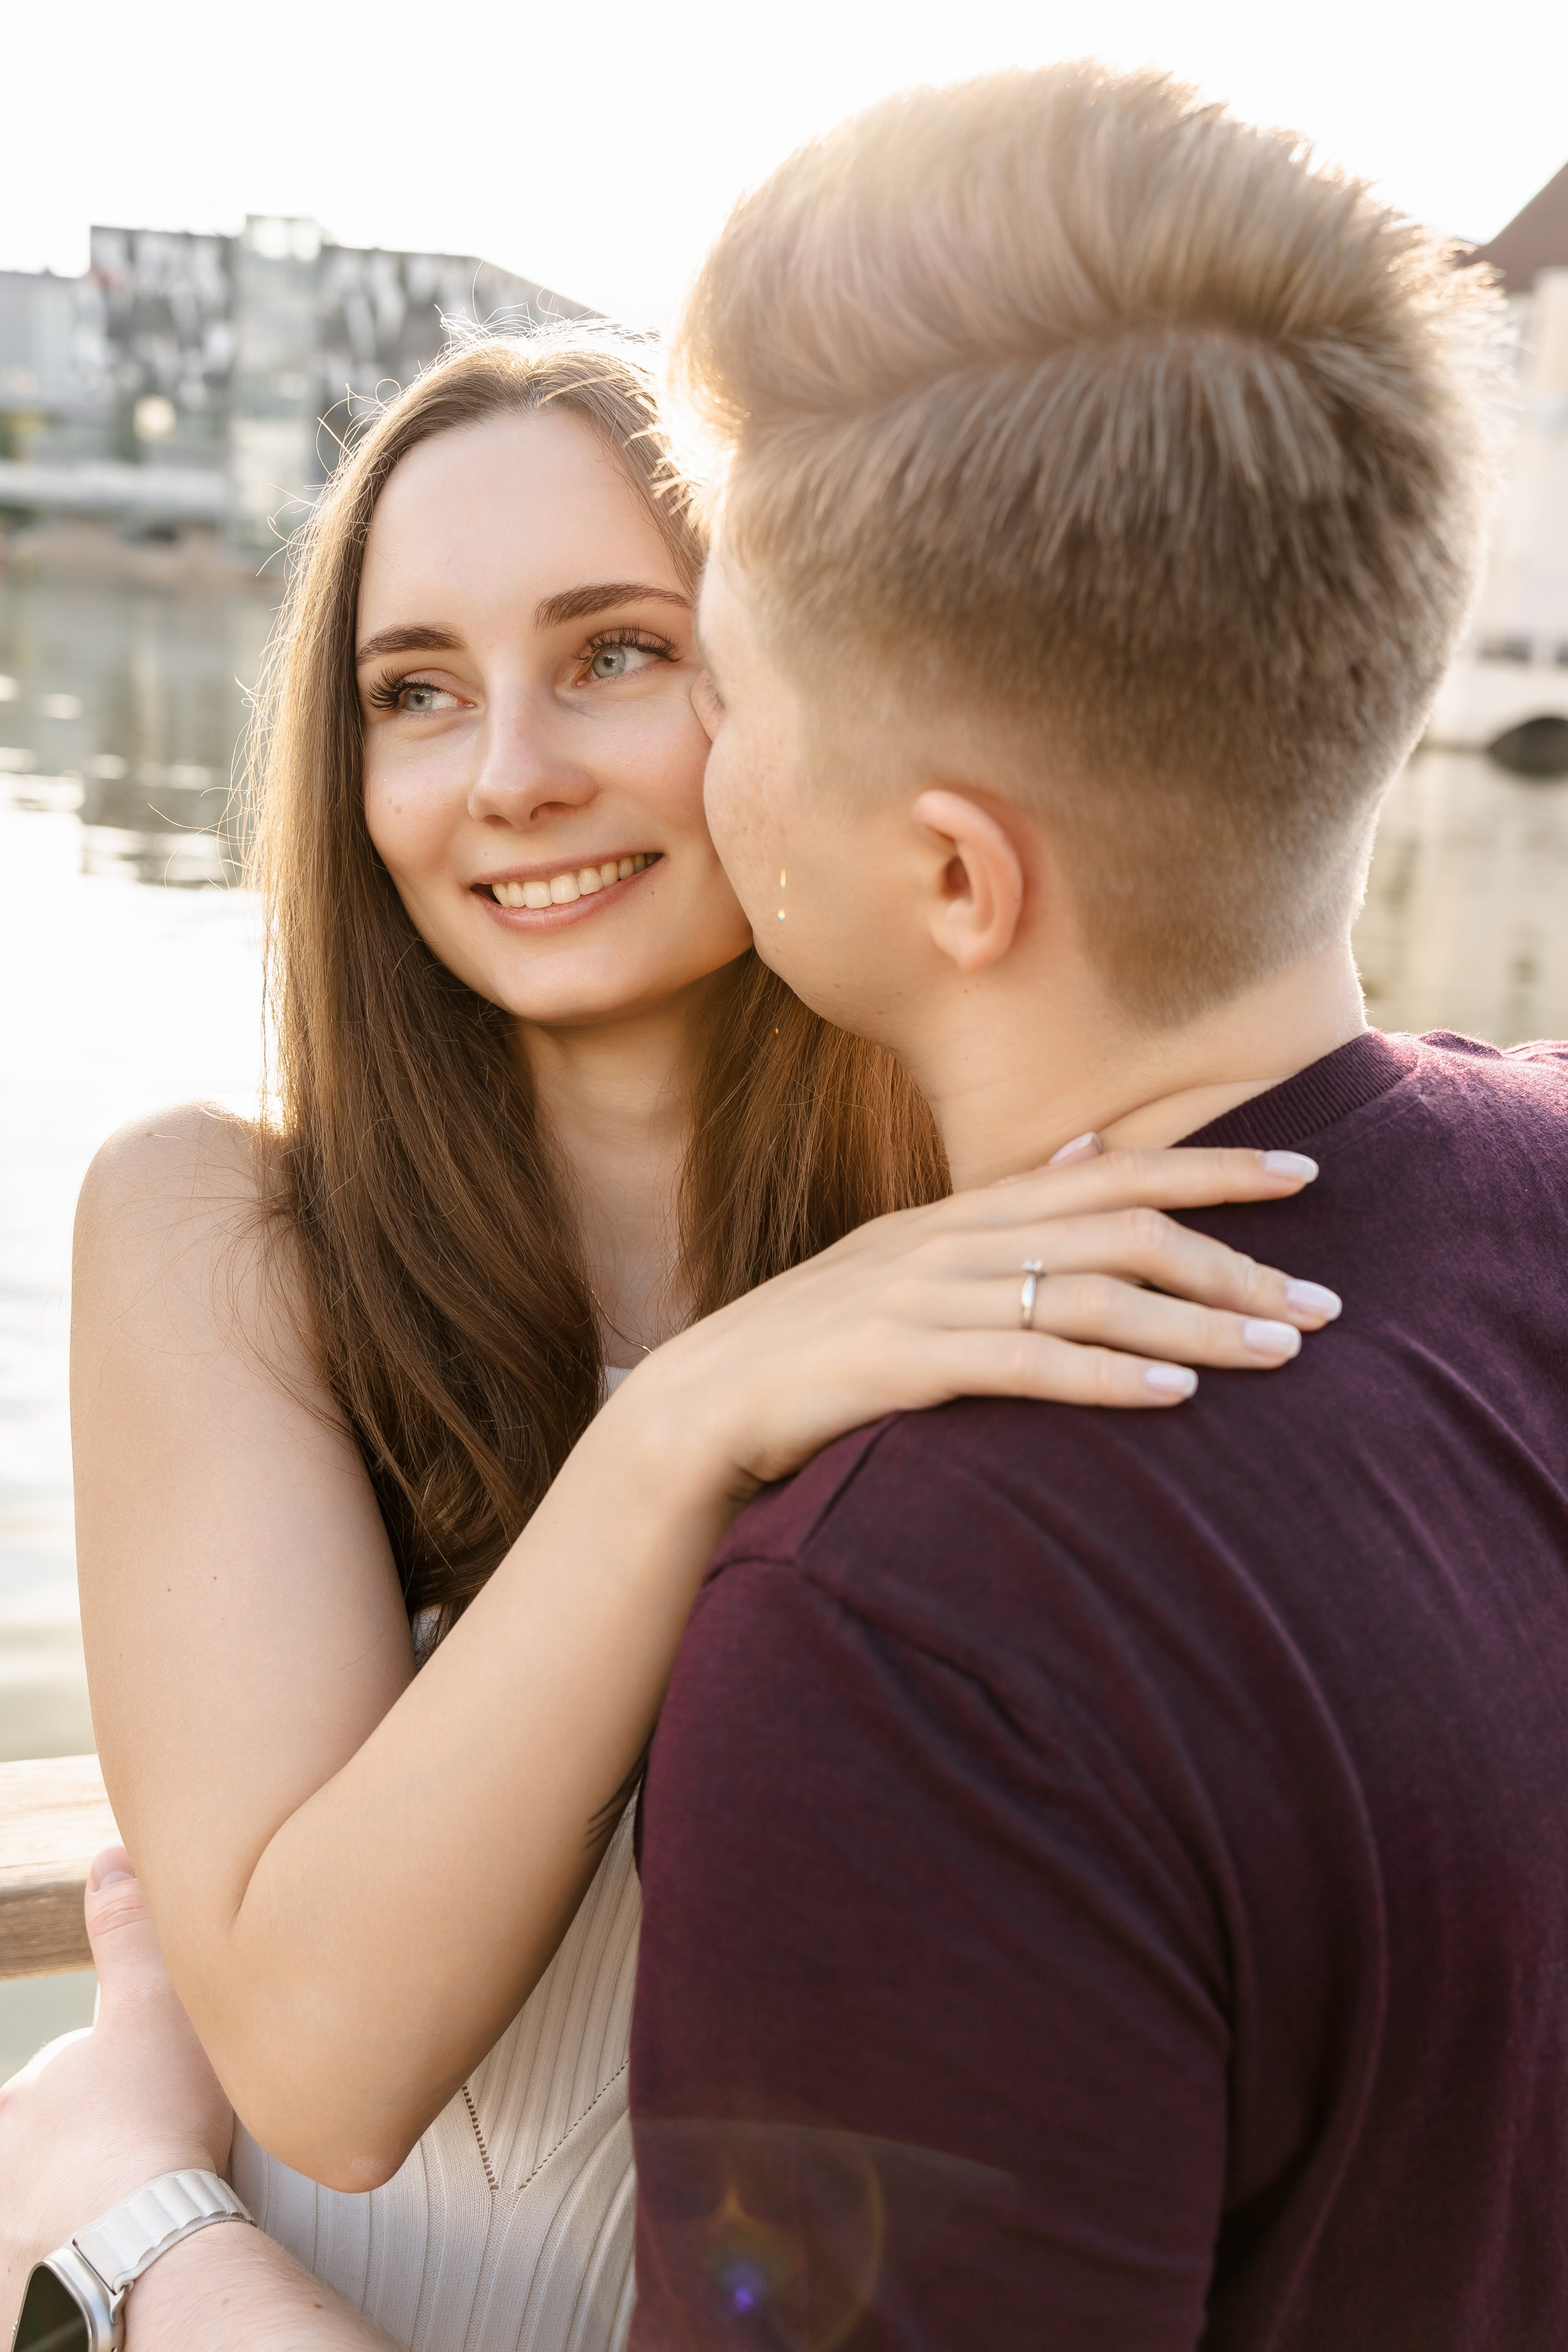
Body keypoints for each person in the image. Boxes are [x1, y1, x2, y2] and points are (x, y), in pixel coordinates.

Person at [11, 323, 1334, 2352]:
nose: (514, 770)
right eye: (417, 692)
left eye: (616, 650)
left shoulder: (1010, 1227)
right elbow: (322, 2068)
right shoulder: (222, 1232)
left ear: (795, 692)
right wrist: (689, 1419)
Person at [625, 61, 1568, 2349]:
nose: (690, 758)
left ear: (951, 873)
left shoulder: (913, 1643)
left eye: (720, 687)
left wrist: (153, 2240)